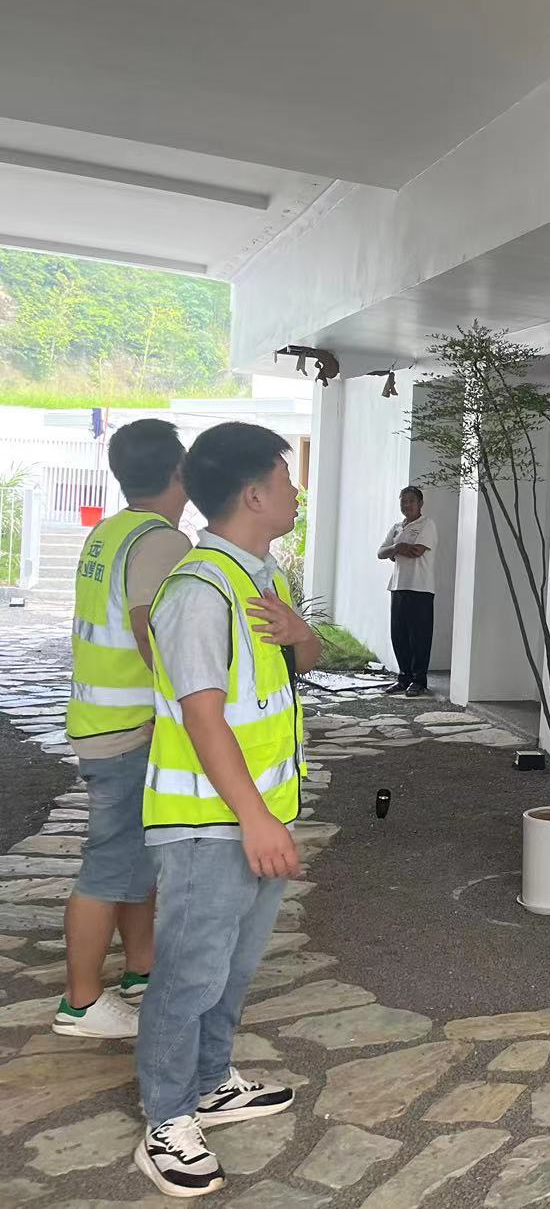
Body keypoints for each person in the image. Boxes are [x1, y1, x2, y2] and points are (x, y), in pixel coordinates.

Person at [133, 422, 320, 1199]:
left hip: (256, 815)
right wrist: (256, 819)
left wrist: (302, 633)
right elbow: (203, 717)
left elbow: (302, 662)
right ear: (252, 495)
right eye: (284, 479)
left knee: (232, 970)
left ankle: (211, 1083)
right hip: (212, 824)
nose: (295, 491)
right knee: (189, 974)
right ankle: (167, 1117)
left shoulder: (260, 580)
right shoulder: (199, 591)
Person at [55, 419, 191, 1039]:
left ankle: (141, 969)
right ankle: (81, 1002)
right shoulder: (161, 542)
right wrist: (192, 705)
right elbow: (149, 629)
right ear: (179, 471)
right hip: (131, 728)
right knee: (109, 864)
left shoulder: (110, 532)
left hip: (103, 721)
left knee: (137, 854)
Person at [377, 485, 438, 696]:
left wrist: (395, 551)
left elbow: (417, 551)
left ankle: (418, 680)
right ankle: (404, 678)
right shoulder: (397, 527)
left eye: (411, 501)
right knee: (399, 635)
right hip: (398, 586)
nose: (407, 505)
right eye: (403, 501)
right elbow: (381, 552)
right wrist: (396, 548)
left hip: (420, 587)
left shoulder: (427, 524)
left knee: (419, 636)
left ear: (420, 504)